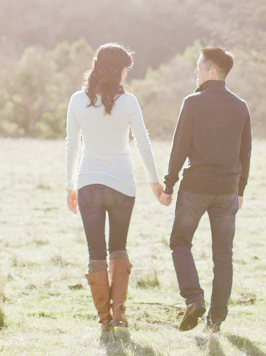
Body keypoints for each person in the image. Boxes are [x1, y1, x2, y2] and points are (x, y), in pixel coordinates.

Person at [66, 43, 166, 331]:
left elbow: (72, 145)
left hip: (88, 184)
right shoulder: (129, 102)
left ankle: (104, 320)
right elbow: (143, 143)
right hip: (123, 185)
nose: (126, 74)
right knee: (118, 248)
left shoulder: (77, 100)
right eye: (125, 68)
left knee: (95, 252)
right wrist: (154, 182)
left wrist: (70, 185)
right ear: (116, 69)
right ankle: (119, 313)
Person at [160, 46, 252, 333]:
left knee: (179, 242)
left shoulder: (192, 103)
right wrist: (241, 189)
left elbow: (180, 147)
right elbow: (246, 153)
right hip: (226, 192)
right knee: (223, 255)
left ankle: (194, 298)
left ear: (212, 72)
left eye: (199, 67)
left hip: (195, 189)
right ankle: (215, 321)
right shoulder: (241, 106)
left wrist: (169, 184)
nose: (195, 72)